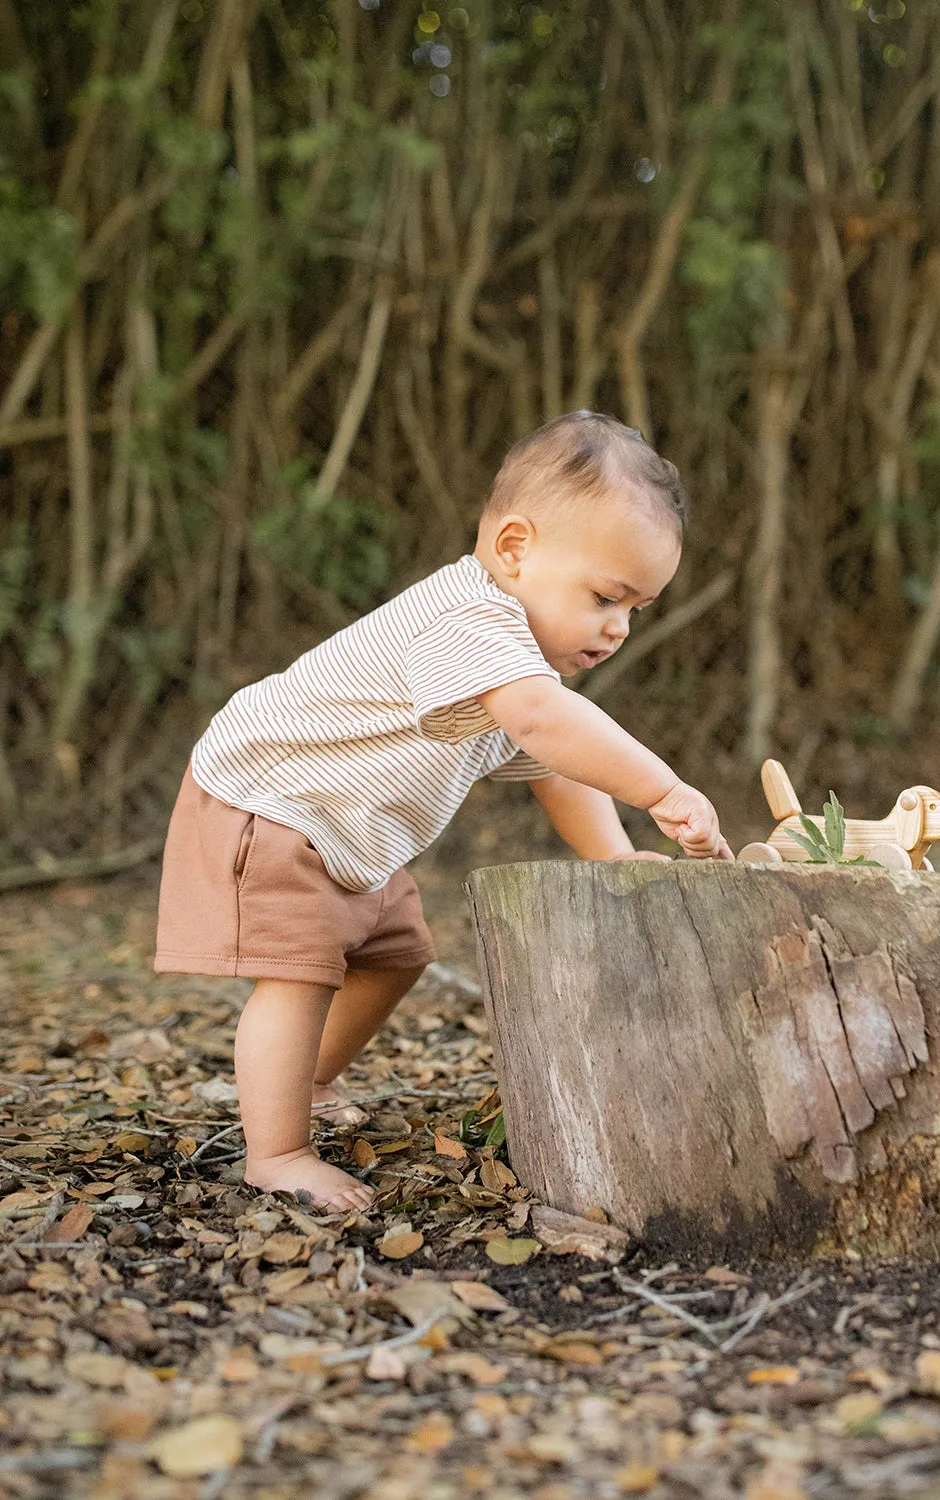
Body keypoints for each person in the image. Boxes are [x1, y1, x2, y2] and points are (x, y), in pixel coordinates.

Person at [155, 411, 732, 1210]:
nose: (618, 627)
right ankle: (276, 1151)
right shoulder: (469, 620)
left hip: (349, 832)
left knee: (394, 956)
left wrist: (609, 854)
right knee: (299, 975)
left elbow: (558, 769)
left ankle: (310, 1079)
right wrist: (663, 789)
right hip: (270, 799)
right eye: (606, 596)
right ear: (515, 549)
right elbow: (543, 722)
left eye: (638, 608)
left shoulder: (515, 668)